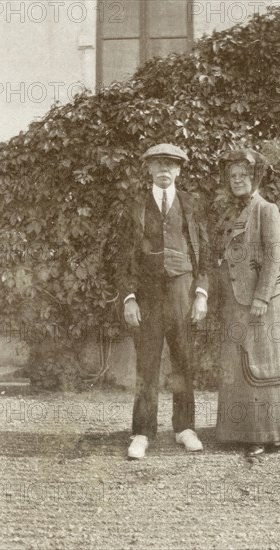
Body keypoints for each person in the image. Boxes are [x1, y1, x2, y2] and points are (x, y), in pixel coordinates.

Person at [119, 143, 209, 459]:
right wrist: (129, 298)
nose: (164, 170)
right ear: (148, 169)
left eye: (171, 165)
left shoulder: (191, 204)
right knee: (147, 364)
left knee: (184, 361)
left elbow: (205, 252)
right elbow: (123, 256)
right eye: (158, 164)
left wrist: (201, 293)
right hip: (148, 295)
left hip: (183, 291)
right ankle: (142, 432)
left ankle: (184, 428)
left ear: (180, 170)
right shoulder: (136, 206)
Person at [215, 149, 280, 456]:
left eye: (243, 176)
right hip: (238, 300)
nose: (237, 181)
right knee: (241, 365)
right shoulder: (234, 212)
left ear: (255, 178)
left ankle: (268, 435)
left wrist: (261, 297)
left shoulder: (267, 210)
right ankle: (242, 433)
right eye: (233, 177)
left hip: (264, 301)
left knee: (263, 366)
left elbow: (275, 256)